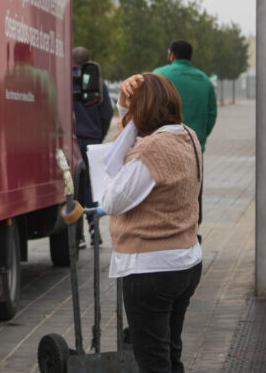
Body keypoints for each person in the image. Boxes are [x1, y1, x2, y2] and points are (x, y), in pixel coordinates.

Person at [99, 73, 203, 373]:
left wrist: (106, 172)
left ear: (143, 110)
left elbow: (111, 200)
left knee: (153, 362)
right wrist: (123, 107)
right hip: (185, 260)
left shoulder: (151, 150)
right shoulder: (188, 136)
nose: (127, 116)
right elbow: (135, 135)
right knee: (170, 355)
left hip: (150, 268)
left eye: (131, 109)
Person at [72, 46, 113, 248]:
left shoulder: (64, 80)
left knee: (73, 186)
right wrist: (100, 134)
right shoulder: (98, 83)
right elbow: (107, 113)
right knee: (90, 185)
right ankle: (93, 227)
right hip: (92, 140)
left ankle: (76, 234)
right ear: (89, 60)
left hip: (70, 140)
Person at [152, 40, 217, 151]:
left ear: (172, 55)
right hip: (195, 147)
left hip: (164, 147)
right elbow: (212, 114)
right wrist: (200, 136)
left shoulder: (158, 75)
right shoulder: (205, 80)